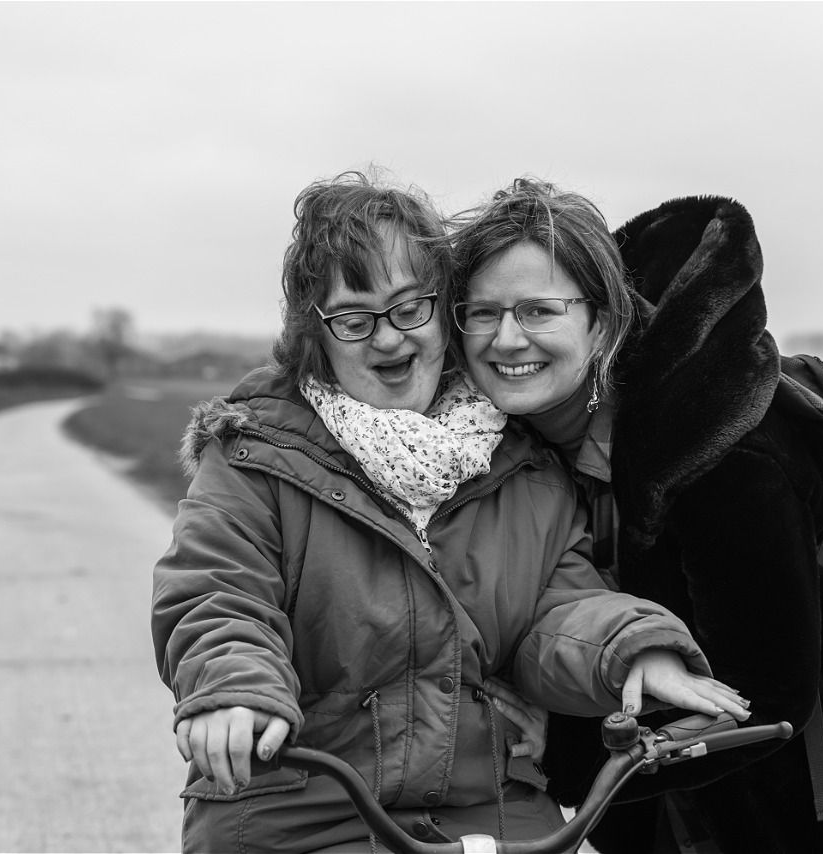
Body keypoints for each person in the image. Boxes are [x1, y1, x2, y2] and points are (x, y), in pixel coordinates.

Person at [151, 171, 750, 854]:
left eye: (410, 308)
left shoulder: (523, 465)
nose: (388, 340)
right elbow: (216, 595)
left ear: (445, 310)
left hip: (484, 806)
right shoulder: (254, 458)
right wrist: (234, 690)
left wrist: (632, 652)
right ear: (314, 334)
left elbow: (559, 612)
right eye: (354, 319)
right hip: (295, 805)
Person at [447, 178, 823, 854]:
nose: (507, 339)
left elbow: (767, 697)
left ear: (602, 321)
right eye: (483, 312)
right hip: (664, 818)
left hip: (812, 813)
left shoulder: (720, 449)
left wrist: (559, 749)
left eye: (538, 311)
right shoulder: (508, 448)